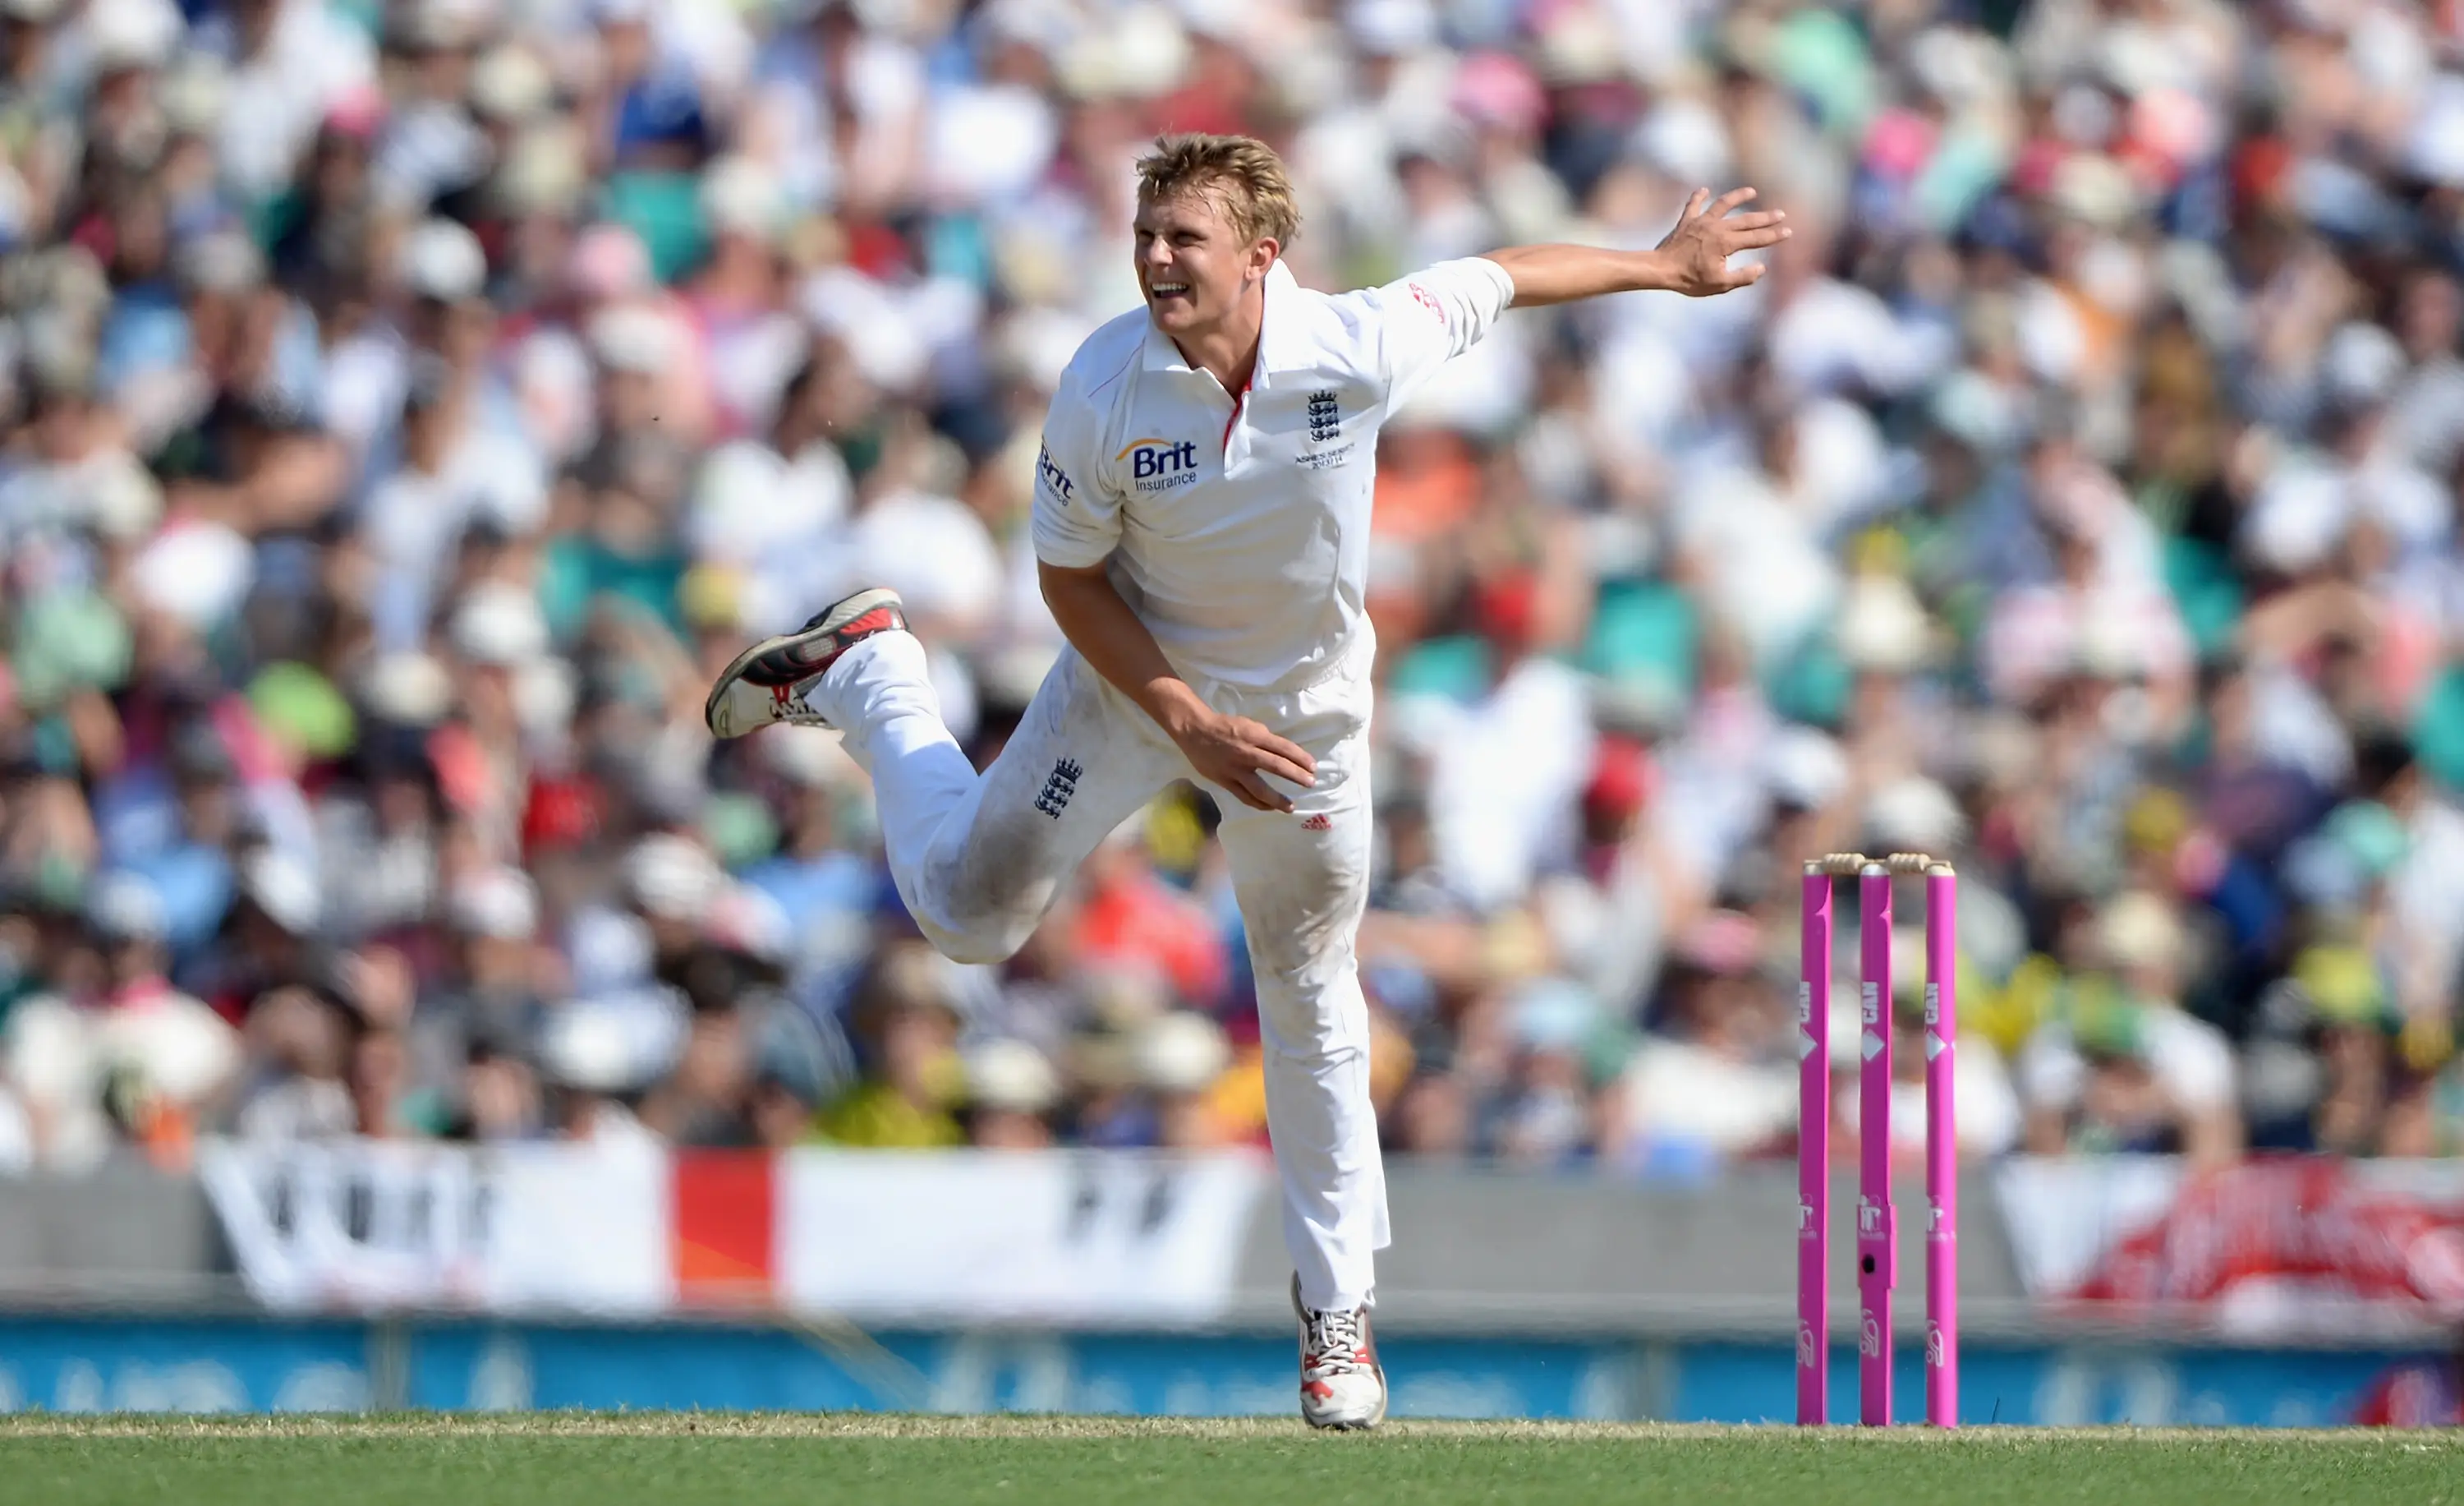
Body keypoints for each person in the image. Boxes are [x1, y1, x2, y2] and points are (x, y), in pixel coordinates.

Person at [703, 133, 1784, 1430]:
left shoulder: (1358, 339)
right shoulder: (1104, 383)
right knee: (964, 919)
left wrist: (1664, 268)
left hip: (1304, 730)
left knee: (1308, 982)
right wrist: (1177, 710)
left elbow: (1502, 274)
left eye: (1186, 238)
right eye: (1146, 232)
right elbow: (1067, 579)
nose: (1157, 258)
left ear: (1262, 256)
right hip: (1136, 686)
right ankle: (876, 675)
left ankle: (1338, 1323)